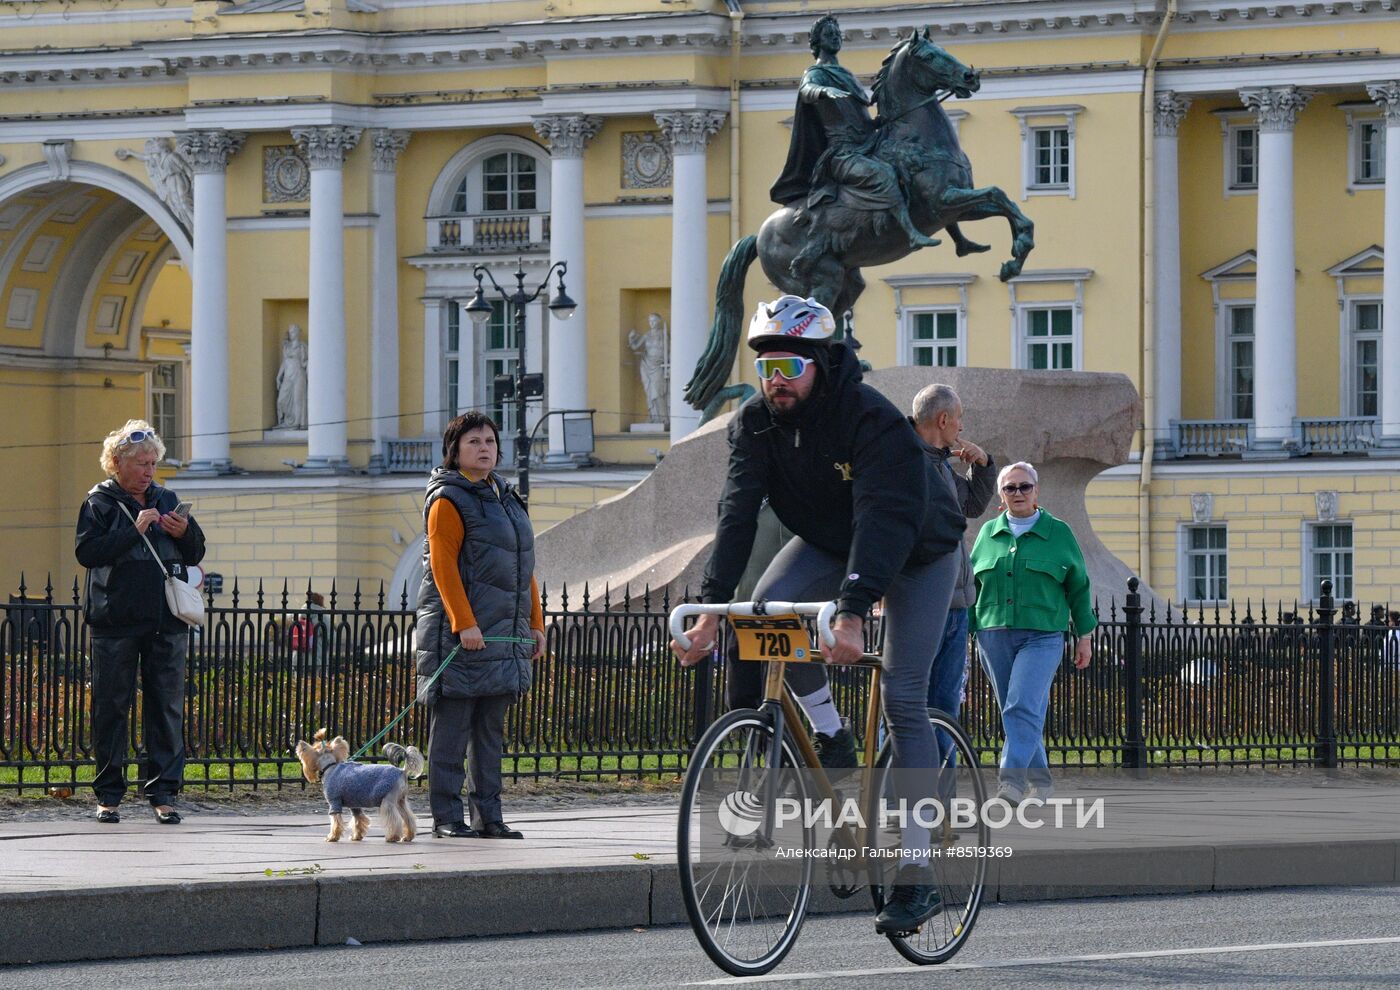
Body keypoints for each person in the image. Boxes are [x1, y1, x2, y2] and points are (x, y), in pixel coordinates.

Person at [671, 295, 965, 935]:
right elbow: (737, 513)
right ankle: (832, 736)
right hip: (830, 539)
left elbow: (883, 518)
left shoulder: (871, 418)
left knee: (906, 699)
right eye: (766, 365)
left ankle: (916, 878)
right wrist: (712, 608)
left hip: (916, 546)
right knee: (763, 618)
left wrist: (855, 609)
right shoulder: (753, 423)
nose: (775, 379)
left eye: (788, 366)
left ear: (821, 364)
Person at [415, 411, 546, 840]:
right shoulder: (448, 499)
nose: (484, 447)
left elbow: (523, 566)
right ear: (454, 451)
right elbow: (443, 568)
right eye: (473, 441)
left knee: (490, 733)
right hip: (462, 637)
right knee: (451, 732)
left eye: (489, 440)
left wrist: (535, 624)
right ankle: (447, 817)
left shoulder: (506, 498)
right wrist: (463, 623)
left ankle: (489, 817)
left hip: (502, 636)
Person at [75, 420, 205, 825]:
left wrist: (184, 531)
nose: (149, 471)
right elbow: (88, 553)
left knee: (165, 707)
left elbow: (196, 551)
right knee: (111, 708)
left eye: (153, 463)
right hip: (114, 621)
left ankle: (163, 794)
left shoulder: (166, 497)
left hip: (166, 620)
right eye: (141, 463)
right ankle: (108, 796)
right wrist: (135, 530)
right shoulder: (99, 503)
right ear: (117, 462)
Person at [771, 13, 937, 279]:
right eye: (828, 35)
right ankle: (911, 233)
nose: (835, 38)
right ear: (817, 42)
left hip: (866, 144)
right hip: (842, 154)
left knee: (910, 167)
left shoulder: (847, 75)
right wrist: (823, 92)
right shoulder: (816, 73)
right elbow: (807, 89)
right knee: (883, 175)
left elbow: (859, 118)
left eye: (837, 34)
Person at [968, 461, 1094, 805]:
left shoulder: (1059, 533)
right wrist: (963, 632)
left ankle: (1011, 782)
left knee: (1021, 705)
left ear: (1037, 492)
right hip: (992, 633)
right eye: (1011, 488)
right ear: (1001, 494)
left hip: (1043, 635)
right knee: (1019, 710)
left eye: (1025, 487)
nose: (1018, 493)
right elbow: (970, 587)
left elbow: (1079, 586)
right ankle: (1043, 782)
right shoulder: (988, 534)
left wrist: (1085, 635)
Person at [908, 384, 996, 782]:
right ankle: (901, 799)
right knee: (906, 705)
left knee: (945, 706)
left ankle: (937, 800)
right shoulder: (906, 461)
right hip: (920, 603)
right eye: (959, 419)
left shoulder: (942, 464)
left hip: (957, 605)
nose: (962, 426)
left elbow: (973, 506)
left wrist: (982, 464)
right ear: (943, 420)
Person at [628, 313, 669, 425]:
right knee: (649, 392)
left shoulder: (663, 334)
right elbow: (635, 347)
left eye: (654, 321)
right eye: (650, 321)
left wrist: (669, 364)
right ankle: (653, 417)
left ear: (659, 322)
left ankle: (663, 418)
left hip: (658, 365)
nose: (652, 323)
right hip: (646, 364)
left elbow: (668, 351)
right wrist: (631, 338)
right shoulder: (647, 335)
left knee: (658, 391)